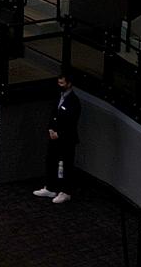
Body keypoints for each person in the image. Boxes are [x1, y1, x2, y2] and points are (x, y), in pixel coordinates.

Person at [33, 75, 82, 204]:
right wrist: (50, 129)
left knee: (67, 164)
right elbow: (53, 114)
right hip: (53, 136)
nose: (59, 85)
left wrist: (59, 133)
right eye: (58, 82)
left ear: (69, 84)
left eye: (62, 83)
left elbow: (71, 122)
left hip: (67, 139)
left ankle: (66, 192)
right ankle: (50, 187)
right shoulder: (58, 96)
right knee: (51, 160)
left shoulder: (74, 101)